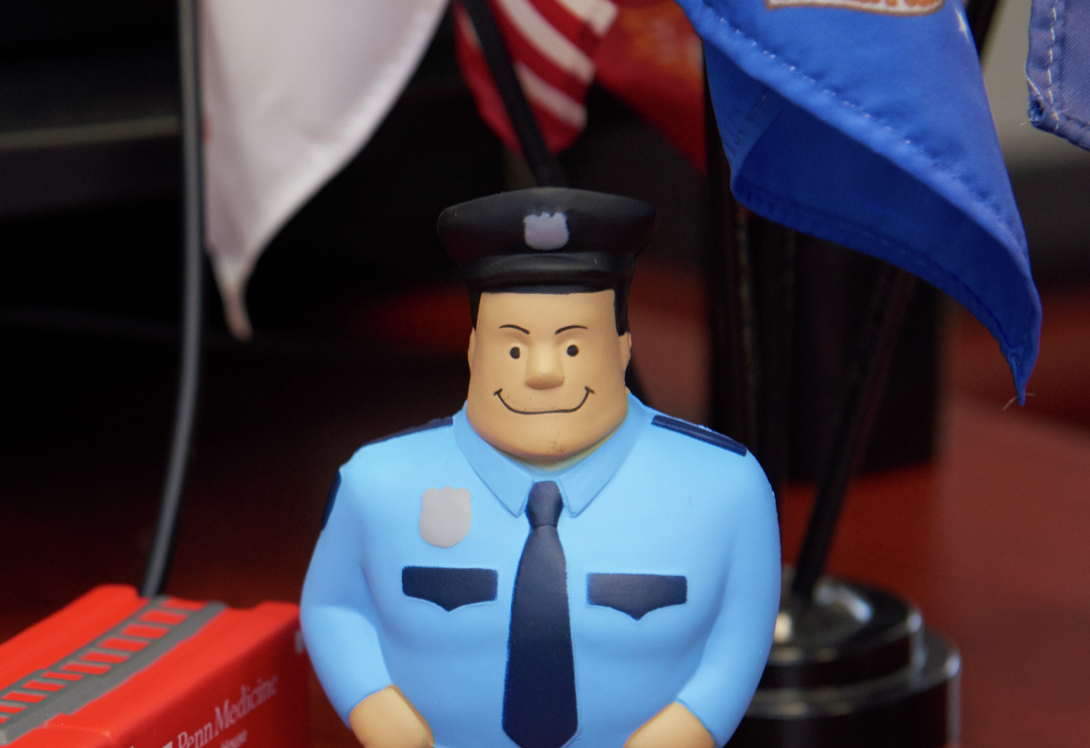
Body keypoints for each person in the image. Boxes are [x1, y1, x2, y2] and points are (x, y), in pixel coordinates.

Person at [301, 188, 780, 748]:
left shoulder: (725, 487)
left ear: (624, 348)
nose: (544, 371)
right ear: (475, 349)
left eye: (574, 347)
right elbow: (333, 605)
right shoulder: (376, 482)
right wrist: (372, 702)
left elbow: (743, 628)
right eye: (514, 348)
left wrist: (694, 722)